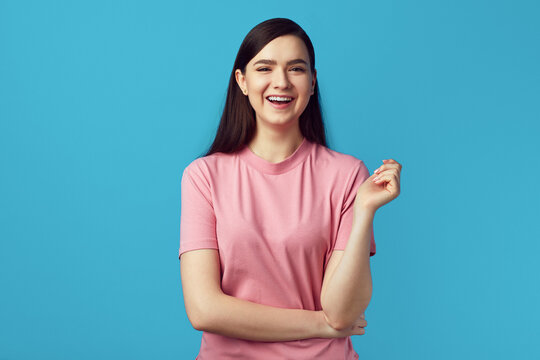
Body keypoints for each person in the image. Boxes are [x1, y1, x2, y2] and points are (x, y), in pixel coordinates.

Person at [178, 17, 402, 360]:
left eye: (296, 69)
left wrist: (364, 211)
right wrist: (320, 325)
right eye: (264, 68)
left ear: (312, 83)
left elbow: (341, 312)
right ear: (242, 80)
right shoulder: (203, 177)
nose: (281, 82)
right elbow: (204, 310)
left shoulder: (347, 175)